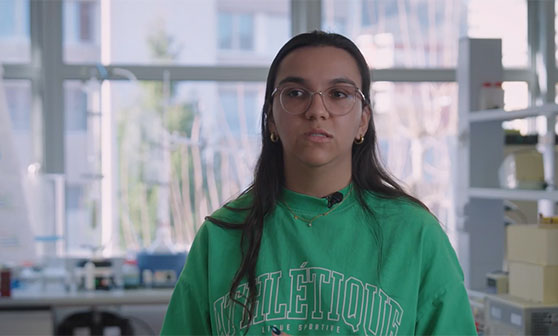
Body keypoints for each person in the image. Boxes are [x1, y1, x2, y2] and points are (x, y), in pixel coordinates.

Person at [160, 31, 476, 336]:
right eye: (296, 93)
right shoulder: (220, 236)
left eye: (338, 94)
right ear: (271, 118)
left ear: (363, 121)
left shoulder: (415, 235)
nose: (317, 111)